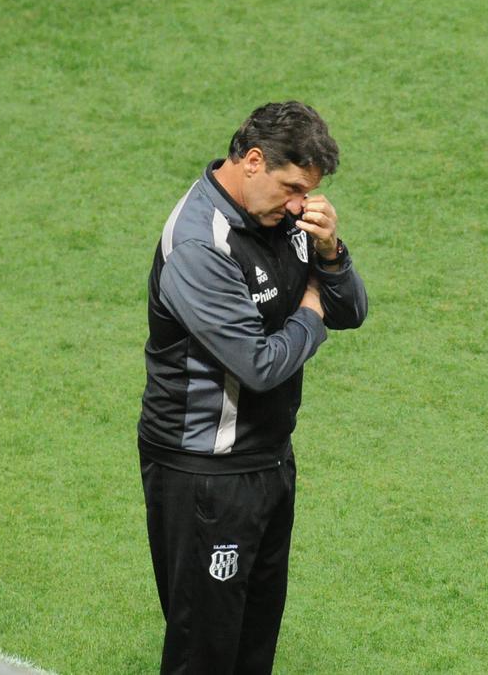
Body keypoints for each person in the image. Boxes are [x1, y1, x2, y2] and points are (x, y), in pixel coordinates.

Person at [138, 101, 368, 673]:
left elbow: (354, 310)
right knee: (207, 652)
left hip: (268, 460)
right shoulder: (198, 245)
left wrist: (331, 253)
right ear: (253, 161)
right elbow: (260, 366)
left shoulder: (285, 218)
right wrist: (312, 307)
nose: (299, 205)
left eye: (308, 194)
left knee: (254, 642)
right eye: (291, 188)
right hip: (205, 476)